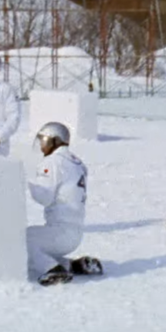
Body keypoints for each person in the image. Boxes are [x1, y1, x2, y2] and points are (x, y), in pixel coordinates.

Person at [27, 122, 102, 286]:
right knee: (39, 242)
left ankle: (52, 269)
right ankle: (73, 265)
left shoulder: (53, 162)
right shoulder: (77, 162)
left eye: (44, 140)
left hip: (60, 232)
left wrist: (25, 185)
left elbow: (44, 197)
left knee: (22, 240)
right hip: (75, 231)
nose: (41, 145)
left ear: (55, 141)